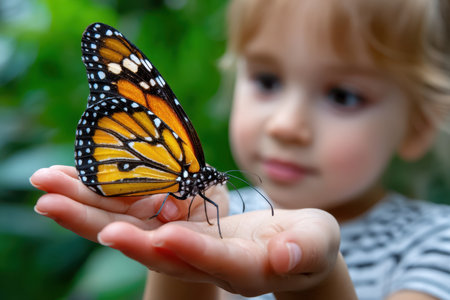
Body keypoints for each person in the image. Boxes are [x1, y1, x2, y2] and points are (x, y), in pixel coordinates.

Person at [30, 0, 450, 299]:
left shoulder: (437, 242)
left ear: (418, 126)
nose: (286, 125)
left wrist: (313, 282)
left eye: (342, 95)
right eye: (267, 81)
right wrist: (179, 251)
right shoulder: (233, 213)